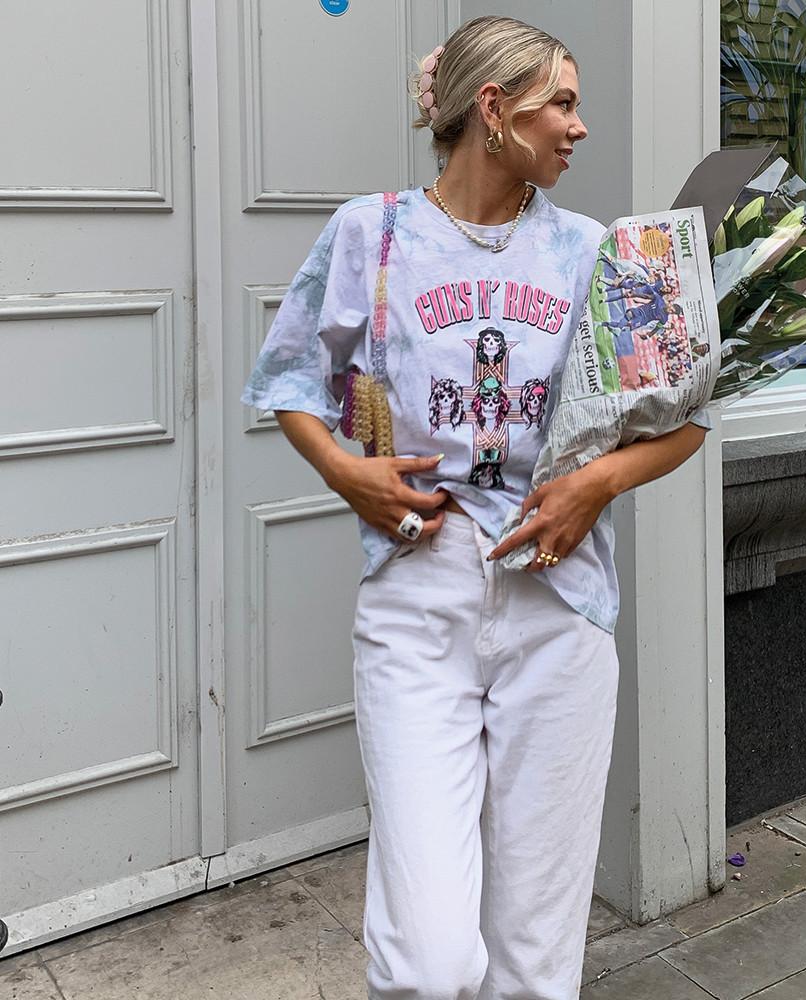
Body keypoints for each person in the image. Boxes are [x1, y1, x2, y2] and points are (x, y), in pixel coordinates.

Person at [242, 15, 711, 999]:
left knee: (537, 956)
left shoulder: (600, 252)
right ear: (492, 111)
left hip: (560, 602)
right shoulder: (372, 234)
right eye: (564, 103)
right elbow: (287, 379)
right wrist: (344, 471)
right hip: (420, 595)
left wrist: (596, 483)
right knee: (430, 956)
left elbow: (686, 419)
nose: (581, 128)